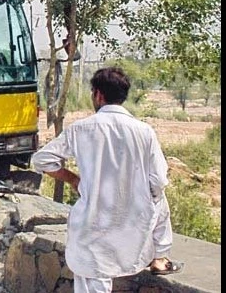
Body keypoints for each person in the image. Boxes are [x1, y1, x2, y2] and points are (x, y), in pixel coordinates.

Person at [32, 67, 183, 293]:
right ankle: (160, 257)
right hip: (133, 227)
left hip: (92, 226)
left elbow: (42, 160)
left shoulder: (82, 129)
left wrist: (73, 179)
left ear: (99, 95)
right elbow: (159, 181)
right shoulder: (144, 132)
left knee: (93, 278)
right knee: (159, 200)